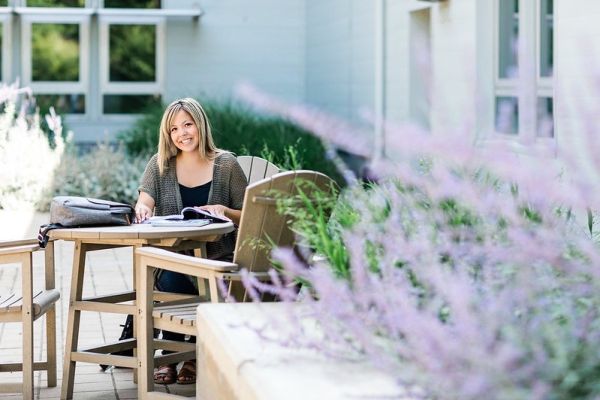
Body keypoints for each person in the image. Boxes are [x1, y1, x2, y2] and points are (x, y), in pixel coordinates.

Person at [135, 98, 248, 385]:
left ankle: (194, 356)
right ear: (168, 135)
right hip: (175, 258)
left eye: (188, 124)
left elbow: (250, 213)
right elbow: (144, 199)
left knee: (201, 279)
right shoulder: (160, 164)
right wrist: (143, 208)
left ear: (200, 125)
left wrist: (225, 211)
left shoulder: (227, 164)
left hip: (218, 259)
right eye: (174, 129)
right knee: (170, 275)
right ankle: (172, 355)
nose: (182, 133)